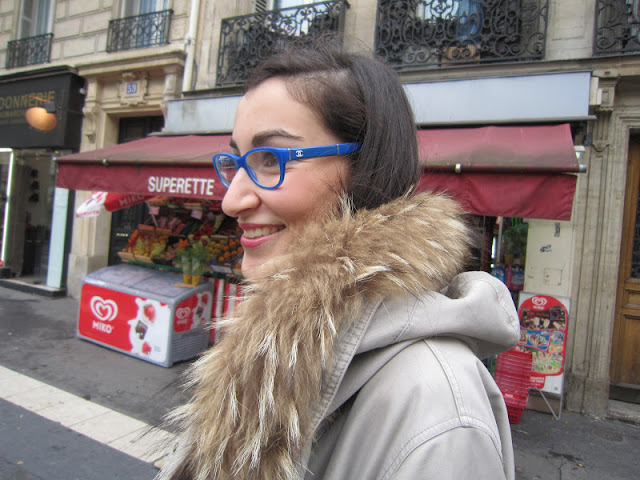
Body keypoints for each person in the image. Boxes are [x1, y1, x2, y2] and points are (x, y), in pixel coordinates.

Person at [157, 37, 519, 480]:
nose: (231, 201)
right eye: (236, 161)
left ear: (365, 170)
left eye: (271, 159)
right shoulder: (272, 337)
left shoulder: (437, 408)